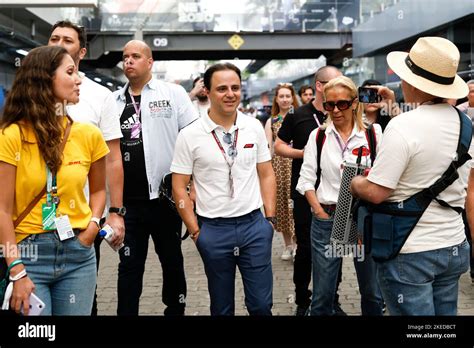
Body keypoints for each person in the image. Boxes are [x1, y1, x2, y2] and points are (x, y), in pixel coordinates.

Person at [351, 36, 472, 315]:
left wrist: (357, 183)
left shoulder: (402, 126)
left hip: (409, 251)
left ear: (413, 82)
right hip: (453, 244)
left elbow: (376, 191)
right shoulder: (466, 125)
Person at [0, 46, 109, 315]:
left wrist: (93, 227)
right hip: (29, 256)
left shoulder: (89, 135)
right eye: (70, 72)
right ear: (44, 78)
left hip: (79, 254)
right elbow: (2, 209)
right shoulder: (12, 135)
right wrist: (15, 268)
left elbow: (98, 191)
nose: (78, 79)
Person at [171, 63, 277, 316]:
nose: (230, 94)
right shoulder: (190, 135)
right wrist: (196, 231)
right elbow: (178, 186)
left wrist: (269, 220)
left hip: (254, 226)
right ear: (207, 91)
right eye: (221, 89)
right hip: (213, 230)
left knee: (261, 306)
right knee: (221, 308)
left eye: (235, 88)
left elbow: (266, 173)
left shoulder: (253, 127)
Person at [113, 40, 198, 316]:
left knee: (172, 260)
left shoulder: (173, 94)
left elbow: (194, 139)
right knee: (129, 267)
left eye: (135, 56)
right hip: (128, 204)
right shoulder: (113, 101)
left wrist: (193, 187)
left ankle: (176, 310)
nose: (129, 61)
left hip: (167, 199)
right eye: (125, 57)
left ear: (150, 62)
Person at [48, 19, 124, 316]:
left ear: (81, 52)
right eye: (54, 38)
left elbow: (114, 158)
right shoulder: (26, 94)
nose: (59, 44)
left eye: (67, 40)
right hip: (30, 225)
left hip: (81, 221)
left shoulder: (98, 96)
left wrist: (114, 214)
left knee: (81, 304)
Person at [296, 76, 383, 316]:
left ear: (355, 103)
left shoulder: (373, 134)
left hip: (363, 217)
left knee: (372, 292)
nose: (335, 110)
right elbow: (306, 179)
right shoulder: (319, 136)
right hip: (329, 216)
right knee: (323, 294)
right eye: (329, 104)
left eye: (342, 104)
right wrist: (319, 210)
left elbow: (384, 177)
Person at [274, 65, 342, 316]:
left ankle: (333, 299)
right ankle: (303, 299)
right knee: (306, 247)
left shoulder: (343, 112)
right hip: (305, 190)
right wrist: (305, 153)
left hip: (337, 191)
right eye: (334, 83)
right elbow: (279, 146)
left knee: (337, 246)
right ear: (320, 86)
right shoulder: (298, 115)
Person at [265, 83, 299, 260]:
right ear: (277, 99)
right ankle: (288, 245)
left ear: (293, 98)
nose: (285, 99)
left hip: (297, 164)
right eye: (282, 96)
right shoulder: (272, 121)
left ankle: (298, 244)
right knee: (283, 208)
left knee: (296, 205)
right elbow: (268, 148)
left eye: (288, 96)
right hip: (278, 167)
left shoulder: (299, 116)